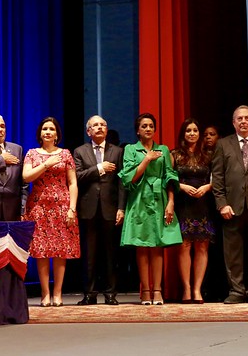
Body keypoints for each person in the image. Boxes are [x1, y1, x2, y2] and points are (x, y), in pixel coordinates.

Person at [118, 113, 182, 305]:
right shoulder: (130, 149)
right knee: (142, 246)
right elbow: (129, 177)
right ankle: (145, 289)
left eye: (151, 126)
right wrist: (146, 160)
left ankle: (157, 290)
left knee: (157, 247)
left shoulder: (163, 149)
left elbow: (170, 176)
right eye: (144, 126)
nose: (148, 129)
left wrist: (170, 202)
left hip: (159, 199)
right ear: (138, 130)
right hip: (139, 200)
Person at [211, 105, 248, 304]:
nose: (243, 121)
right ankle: (236, 290)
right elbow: (217, 177)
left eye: (247, 118)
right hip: (232, 207)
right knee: (232, 252)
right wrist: (222, 204)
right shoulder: (223, 144)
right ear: (233, 122)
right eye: (239, 118)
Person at [23, 116, 79, 307]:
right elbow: (26, 177)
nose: (48, 132)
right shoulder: (32, 153)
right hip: (39, 207)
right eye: (45, 129)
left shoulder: (65, 154)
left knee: (61, 250)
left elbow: (72, 182)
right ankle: (45, 292)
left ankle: (58, 292)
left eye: (51, 129)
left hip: (62, 206)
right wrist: (46, 164)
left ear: (57, 134)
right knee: (42, 251)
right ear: (40, 133)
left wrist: (72, 208)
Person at [73, 115, 126, 305]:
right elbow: (77, 177)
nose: (100, 128)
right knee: (90, 254)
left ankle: (111, 294)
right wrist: (99, 168)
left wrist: (121, 207)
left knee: (111, 254)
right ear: (89, 131)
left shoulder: (118, 151)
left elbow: (122, 182)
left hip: (111, 208)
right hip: (88, 208)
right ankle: (90, 293)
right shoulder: (80, 151)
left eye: (103, 125)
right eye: (95, 125)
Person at [171, 118, 215, 304]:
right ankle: (186, 289)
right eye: (188, 130)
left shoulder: (208, 155)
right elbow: (168, 179)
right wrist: (181, 186)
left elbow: (218, 178)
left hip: (203, 203)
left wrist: (207, 187)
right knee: (184, 245)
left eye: (195, 130)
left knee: (202, 246)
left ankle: (197, 289)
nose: (192, 133)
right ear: (183, 134)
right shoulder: (174, 154)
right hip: (183, 204)